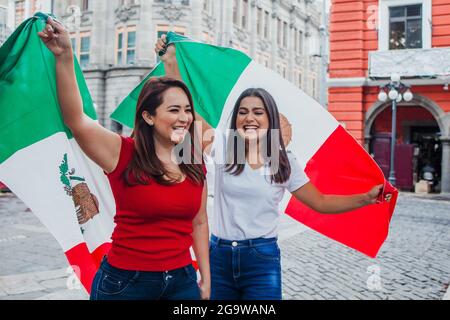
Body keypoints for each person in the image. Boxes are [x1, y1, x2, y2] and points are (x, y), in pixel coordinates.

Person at [156, 34, 383, 301]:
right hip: (218, 256)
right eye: (243, 112)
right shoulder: (224, 147)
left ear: (269, 119)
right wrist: (171, 63)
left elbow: (320, 202)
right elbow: (190, 115)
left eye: (258, 112)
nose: (249, 117)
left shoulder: (283, 160)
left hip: (261, 260)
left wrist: (366, 198)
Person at [39, 18, 210, 300]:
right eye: (174, 110)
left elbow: (200, 222)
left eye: (188, 111)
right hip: (125, 284)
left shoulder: (192, 156)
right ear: (148, 116)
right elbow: (76, 120)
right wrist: (65, 56)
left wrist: (206, 277)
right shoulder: (123, 152)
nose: (184, 118)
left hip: (182, 282)